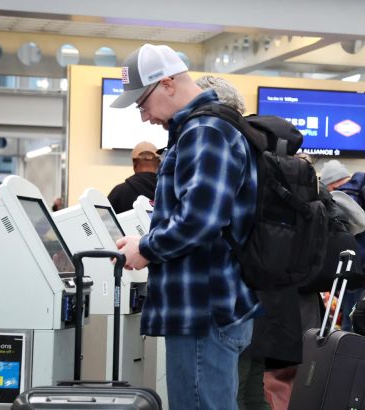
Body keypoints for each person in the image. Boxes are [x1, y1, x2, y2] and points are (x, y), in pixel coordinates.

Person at [112, 44, 259, 410]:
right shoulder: (201, 130)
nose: (145, 117)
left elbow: (201, 220)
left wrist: (145, 250)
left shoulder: (205, 131)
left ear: (166, 83)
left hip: (202, 311)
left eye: (143, 103)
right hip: (205, 307)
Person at [193, 73, 269, 410]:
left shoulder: (218, 144)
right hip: (254, 295)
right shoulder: (257, 148)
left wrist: (148, 247)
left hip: (218, 300)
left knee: (217, 395)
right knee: (246, 389)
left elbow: (203, 221)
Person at [319, 159, 365, 331]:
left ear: (332, 184)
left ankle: (344, 355)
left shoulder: (344, 198)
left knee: (349, 323)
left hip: (354, 270)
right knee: (363, 320)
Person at [107, 141, 160, 213]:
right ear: (159, 163)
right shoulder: (171, 192)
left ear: (134, 163)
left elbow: (102, 221)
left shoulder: (119, 192)